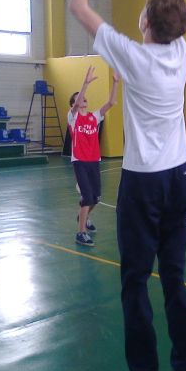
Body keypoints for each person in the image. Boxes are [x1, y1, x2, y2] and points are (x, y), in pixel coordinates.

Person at [70, 0, 186, 371]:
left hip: (143, 184)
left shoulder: (134, 56)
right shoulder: (180, 50)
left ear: (145, 22)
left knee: (135, 283)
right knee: (175, 280)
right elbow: (164, 7)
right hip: (180, 178)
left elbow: (78, 6)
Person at [68, 65, 118, 246]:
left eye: (84, 98)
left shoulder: (94, 117)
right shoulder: (73, 117)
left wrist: (115, 82)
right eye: (79, 99)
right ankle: (80, 233)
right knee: (87, 198)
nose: (83, 99)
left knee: (96, 198)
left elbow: (111, 103)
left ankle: (83, 216)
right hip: (80, 161)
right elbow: (77, 103)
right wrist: (86, 84)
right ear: (73, 104)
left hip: (94, 161)